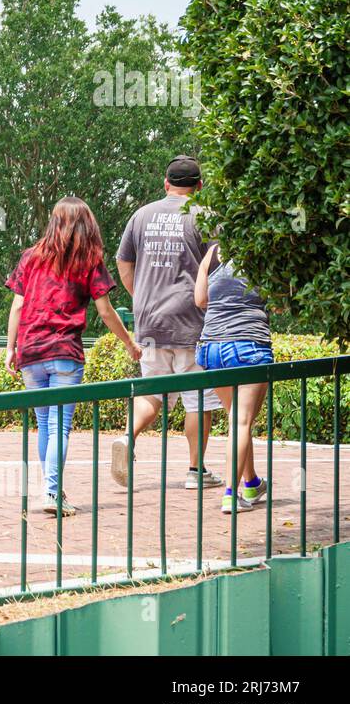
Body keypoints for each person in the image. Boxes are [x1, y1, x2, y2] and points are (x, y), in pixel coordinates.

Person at [5, 197, 141, 516]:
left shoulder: (31, 257)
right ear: (86, 225)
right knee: (59, 426)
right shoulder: (89, 259)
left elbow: (17, 306)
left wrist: (11, 348)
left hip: (31, 349)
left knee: (44, 425)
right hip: (65, 351)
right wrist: (129, 342)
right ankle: (52, 492)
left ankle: (52, 490)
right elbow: (105, 311)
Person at [111, 155, 223, 489]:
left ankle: (127, 439)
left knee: (152, 393)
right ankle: (195, 471)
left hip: (151, 322)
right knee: (198, 399)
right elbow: (217, 271)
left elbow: (123, 261)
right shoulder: (206, 217)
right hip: (192, 322)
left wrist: (140, 296)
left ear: (166, 184)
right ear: (199, 187)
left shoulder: (141, 215)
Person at [194, 244, 271, 514]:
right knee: (241, 421)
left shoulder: (213, 251)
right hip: (249, 344)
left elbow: (200, 299)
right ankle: (230, 494)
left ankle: (251, 482)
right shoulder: (263, 250)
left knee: (236, 419)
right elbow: (283, 302)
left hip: (211, 347)